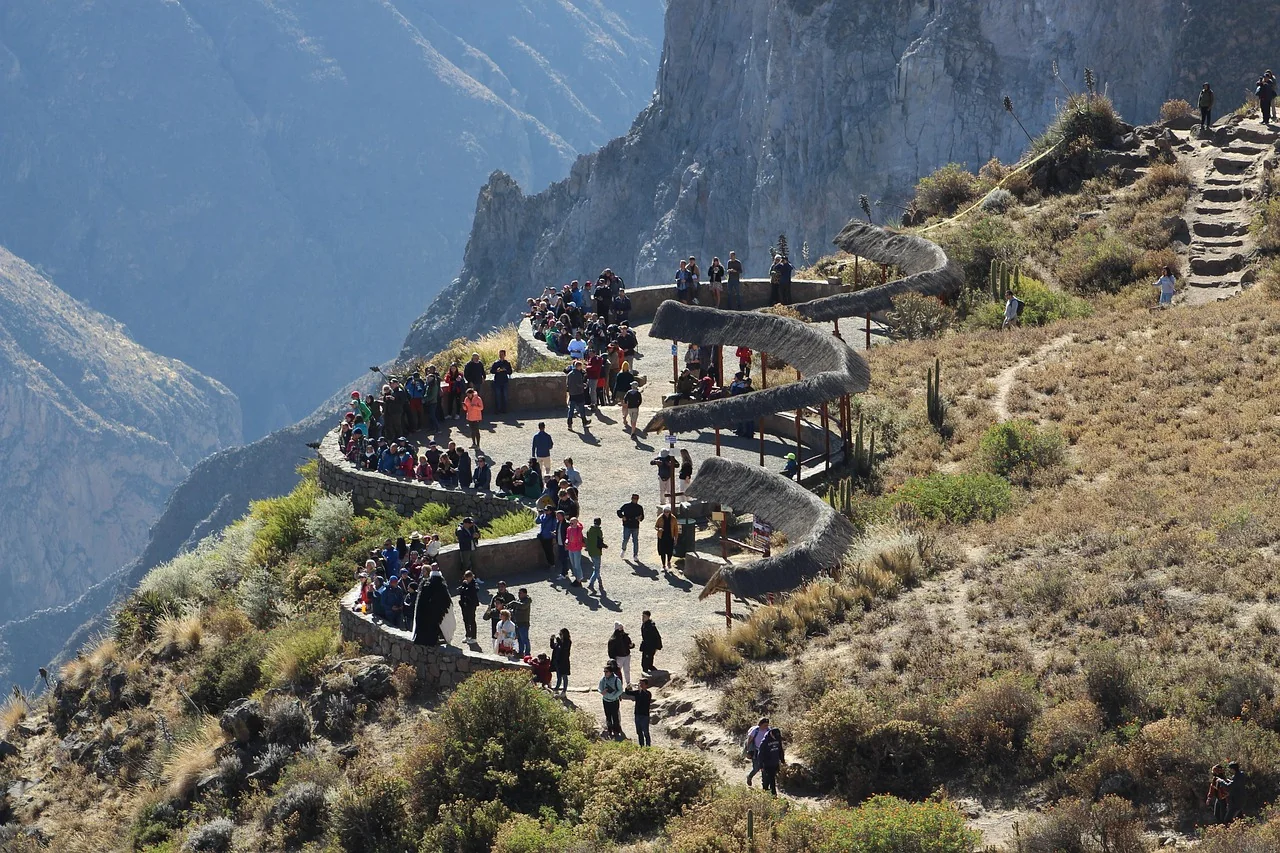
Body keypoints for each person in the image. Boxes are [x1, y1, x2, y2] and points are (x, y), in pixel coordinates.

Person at [412, 570, 452, 645]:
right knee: (434, 627)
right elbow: (447, 602)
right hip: (436, 614)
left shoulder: (424, 586)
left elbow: (419, 602)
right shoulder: (442, 587)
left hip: (424, 613)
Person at [598, 662, 625, 738]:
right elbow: (599, 687)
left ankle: (616, 730)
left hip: (614, 701)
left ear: (610, 672)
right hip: (606, 700)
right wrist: (601, 692)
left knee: (615, 716)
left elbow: (620, 690)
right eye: (604, 671)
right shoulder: (603, 679)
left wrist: (614, 696)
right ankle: (610, 730)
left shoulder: (616, 680)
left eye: (606, 671)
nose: (605, 673)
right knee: (608, 716)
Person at [626, 678, 653, 746]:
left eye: (642, 684)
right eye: (639, 683)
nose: (640, 685)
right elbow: (628, 693)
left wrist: (640, 690)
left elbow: (644, 698)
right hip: (637, 714)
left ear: (646, 685)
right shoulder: (637, 692)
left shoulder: (648, 693)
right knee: (639, 732)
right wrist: (628, 687)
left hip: (644, 715)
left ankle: (648, 745)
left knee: (646, 732)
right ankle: (641, 745)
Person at [758, 728, 786, 795]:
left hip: (775, 762)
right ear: (771, 734)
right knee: (772, 779)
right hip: (767, 764)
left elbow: (780, 750)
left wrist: (782, 760)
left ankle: (765, 790)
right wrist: (761, 765)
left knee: (769, 778)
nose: (776, 738)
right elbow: (760, 754)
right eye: (775, 737)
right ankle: (774, 795)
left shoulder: (777, 739)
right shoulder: (764, 742)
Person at [617, 494, 645, 561]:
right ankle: (623, 550)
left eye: (636, 498)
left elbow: (642, 516)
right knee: (625, 540)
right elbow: (619, 511)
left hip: (635, 526)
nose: (634, 500)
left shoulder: (639, 507)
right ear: (631, 498)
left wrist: (640, 518)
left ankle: (635, 555)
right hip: (627, 525)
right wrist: (622, 516)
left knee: (635, 541)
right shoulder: (626, 506)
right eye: (633, 498)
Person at [744, 717, 771, 787]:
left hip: (765, 752)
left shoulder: (768, 730)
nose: (766, 726)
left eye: (767, 725)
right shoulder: (755, 731)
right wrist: (748, 751)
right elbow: (749, 741)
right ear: (760, 724)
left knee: (764, 768)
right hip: (756, 751)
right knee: (756, 768)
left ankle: (764, 785)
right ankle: (749, 776)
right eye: (765, 725)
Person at [608, 621, 635, 688]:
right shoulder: (613, 639)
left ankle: (628, 684)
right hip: (618, 657)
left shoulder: (625, 636)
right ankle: (616, 685)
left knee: (627, 670)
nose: (621, 629)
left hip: (627, 656)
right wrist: (613, 659)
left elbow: (630, 645)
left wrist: (631, 645)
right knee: (616, 672)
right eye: (620, 627)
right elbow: (611, 651)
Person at [584, 517, 608, 595]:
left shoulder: (589, 530)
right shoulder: (599, 531)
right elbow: (599, 542)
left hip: (591, 551)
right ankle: (591, 584)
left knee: (596, 567)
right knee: (597, 569)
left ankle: (600, 582)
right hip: (597, 552)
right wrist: (605, 546)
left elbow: (588, 540)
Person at [456, 570, 480, 642]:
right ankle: (468, 635)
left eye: (469, 577)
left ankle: (473, 637)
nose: (467, 579)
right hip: (464, 604)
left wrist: (468, 586)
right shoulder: (464, 583)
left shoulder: (474, 583)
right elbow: (461, 590)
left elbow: (475, 590)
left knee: (472, 620)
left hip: (471, 604)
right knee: (465, 620)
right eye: (466, 577)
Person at [565, 362, 591, 430]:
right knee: (581, 408)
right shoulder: (578, 374)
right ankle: (584, 421)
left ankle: (569, 424)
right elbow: (579, 384)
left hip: (572, 394)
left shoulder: (569, 374)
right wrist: (584, 385)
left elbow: (567, 384)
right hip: (579, 393)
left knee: (571, 409)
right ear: (578, 366)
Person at [489, 349, 513, 414]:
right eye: (500, 354)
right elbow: (491, 371)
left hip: (504, 381)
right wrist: (496, 371)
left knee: (505, 396)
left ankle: (504, 410)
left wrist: (505, 370)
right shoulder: (496, 363)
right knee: (498, 396)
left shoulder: (507, 363)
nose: (501, 355)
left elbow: (510, 372)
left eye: (502, 354)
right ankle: (498, 410)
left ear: (504, 355)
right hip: (497, 381)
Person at [510, 587, 533, 656]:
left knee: (525, 639)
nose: (519, 594)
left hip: (524, 623)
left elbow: (523, 606)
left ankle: (527, 653)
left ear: (525, 594)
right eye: (518, 593)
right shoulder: (518, 600)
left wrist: (514, 602)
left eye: (520, 593)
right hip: (517, 623)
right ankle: (521, 652)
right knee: (519, 639)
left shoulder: (527, 600)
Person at [655, 505, 678, 571]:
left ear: (670, 512)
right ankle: (663, 565)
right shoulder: (660, 517)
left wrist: (676, 538)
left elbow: (676, 529)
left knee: (669, 551)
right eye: (665, 511)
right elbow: (655, 526)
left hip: (670, 537)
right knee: (662, 551)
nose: (666, 513)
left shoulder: (673, 518)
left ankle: (668, 562)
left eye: (668, 511)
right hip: (662, 537)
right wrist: (659, 529)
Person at [550, 628, 572, 695]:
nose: (560, 635)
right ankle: (556, 689)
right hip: (557, 662)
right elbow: (553, 647)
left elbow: (563, 648)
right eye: (559, 634)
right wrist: (551, 639)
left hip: (564, 662)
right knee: (559, 677)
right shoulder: (559, 642)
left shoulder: (568, 642)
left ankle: (564, 691)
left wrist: (559, 641)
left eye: (561, 634)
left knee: (564, 677)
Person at [565, 517, 586, 585]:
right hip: (571, 548)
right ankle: (577, 578)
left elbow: (581, 526)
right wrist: (566, 541)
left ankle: (579, 579)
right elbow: (567, 537)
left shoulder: (579, 529)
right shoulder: (569, 529)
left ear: (576, 523)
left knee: (577, 565)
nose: (570, 524)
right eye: (570, 523)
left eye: (572, 523)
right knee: (573, 564)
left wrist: (578, 522)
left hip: (577, 549)